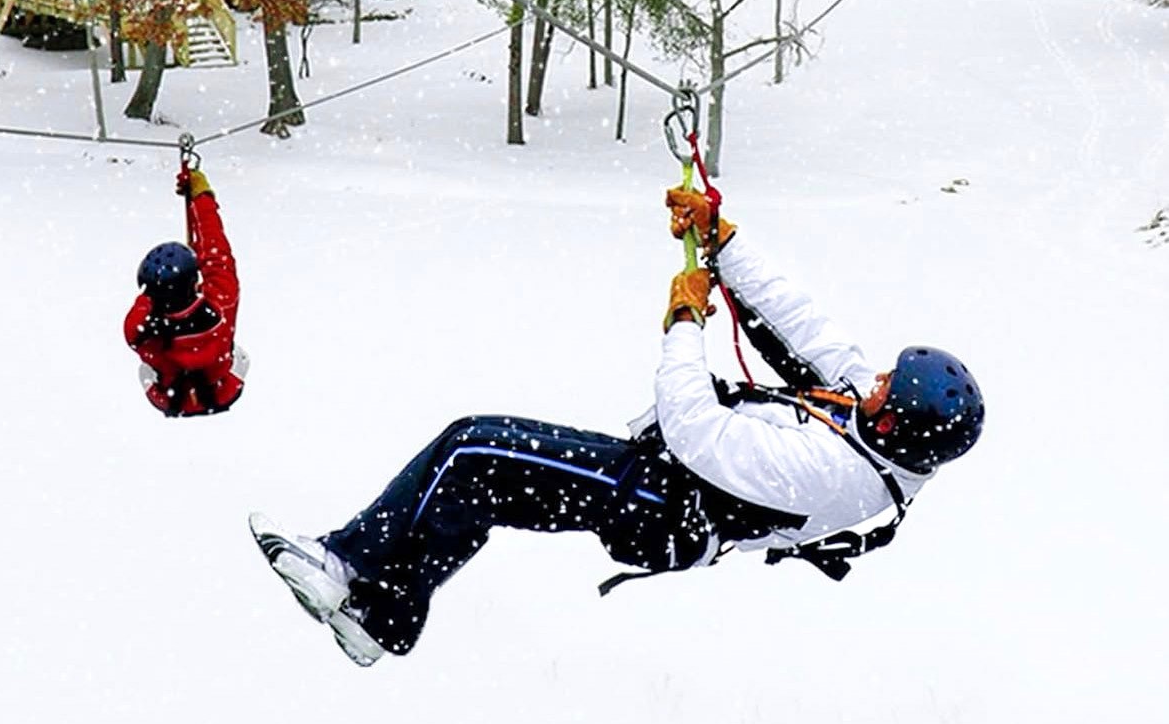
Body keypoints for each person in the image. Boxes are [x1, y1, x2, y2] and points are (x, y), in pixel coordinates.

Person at [249, 188, 984, 667]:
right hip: (668, 484)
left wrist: (685, 317)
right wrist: (723, 240)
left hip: (661, 507)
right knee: (476, 478)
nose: (873, 378)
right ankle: (385, 614)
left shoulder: (837, 474)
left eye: (886, 385)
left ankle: (342, 562)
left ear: (898, 423)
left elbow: (695, 428)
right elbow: (806, 324)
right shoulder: (875, 421)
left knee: (474, 449)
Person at [126, 164, 244, 417]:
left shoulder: (140, 330)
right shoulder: (221, 300)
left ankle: (179, 388)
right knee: (237, 355)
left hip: (168, 398)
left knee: (148, 367)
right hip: (224, 390)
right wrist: (201, 196)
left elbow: (142, 309)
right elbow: (214, 245)